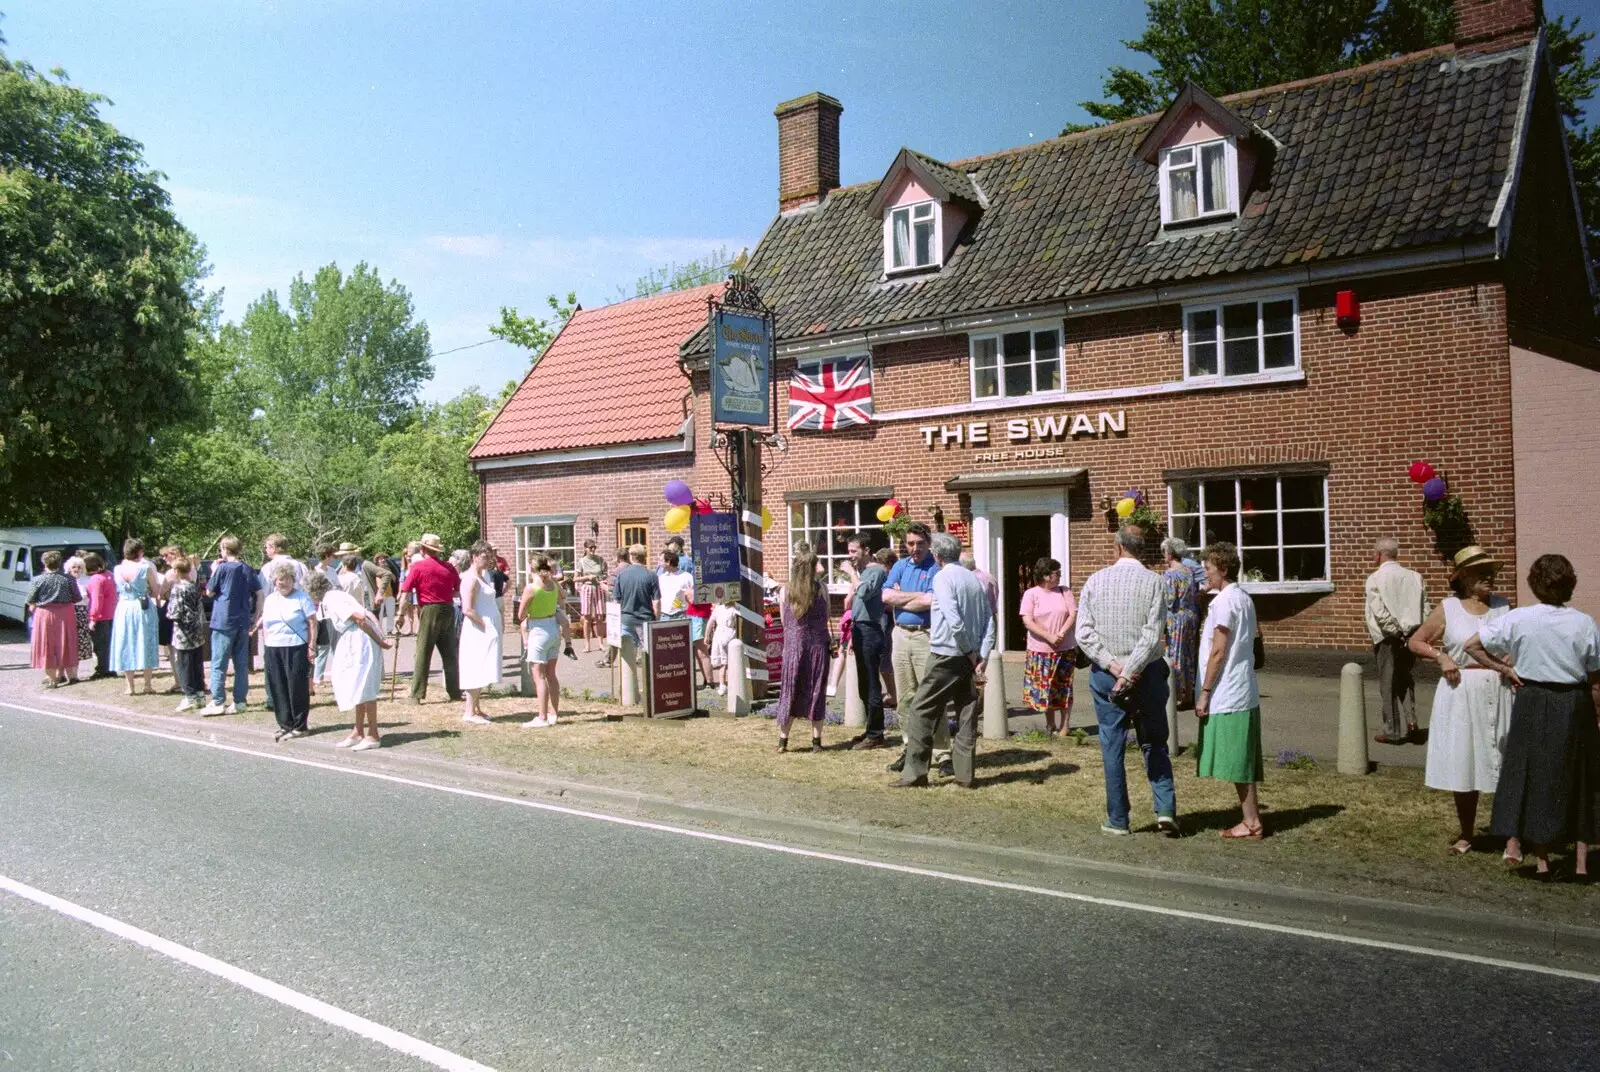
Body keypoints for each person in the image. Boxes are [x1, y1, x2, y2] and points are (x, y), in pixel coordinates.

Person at [1465, 553, 1600, 881]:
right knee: (1581, 779)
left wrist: (1505, 669)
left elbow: (1472, 645)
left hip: (1532, 700)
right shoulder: (1584, 623)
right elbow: (1595, 678)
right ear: (1569, 584)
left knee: (1535, 776)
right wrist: (1596, 714)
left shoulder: (1519, 618)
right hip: (1574, 702)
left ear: (1534, 584)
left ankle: (1542, 862)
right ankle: (1581, 865)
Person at [1411, 546, 1516, 857]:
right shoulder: (1449, 607)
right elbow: (1416, 641)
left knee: (1503, 760)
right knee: (1465, 761)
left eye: (1492, 572)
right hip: (1460, 690)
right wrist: (1441, 656)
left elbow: (1515, 641)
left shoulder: (1503, 607)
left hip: (1498, 688)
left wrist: (1513, 656)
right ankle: (1467, 833)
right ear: (1464, 577)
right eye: (1481, 572)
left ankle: (1511, 838)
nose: (1489, 577)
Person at [1076, 525, 1177, 836]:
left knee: (1112, 744)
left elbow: (1084, 634)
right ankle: (1164, 809)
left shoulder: (1095, 580)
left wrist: (1114, 666)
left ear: (1118, 547)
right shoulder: (1155, 582)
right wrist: (1131, 668)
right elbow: (1152, 634)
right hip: (1145, 672)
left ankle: (1118, 818)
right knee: (1155, 741)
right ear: (1141, 550)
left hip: (1108, 675)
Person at [895, 533, 994, 787]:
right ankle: (965, 775)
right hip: (969, 656)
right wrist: (981, 654)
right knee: (966, 714)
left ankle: (915, 773)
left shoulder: (942, 577)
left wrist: (971, 652)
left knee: (921, 710)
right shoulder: (974, 579)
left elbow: (953, 618)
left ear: (937, 556)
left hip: (947, 654)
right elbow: (989, 621)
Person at [1192, 542, 1266, 838]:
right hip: (1240, 687)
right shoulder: (1242, 597)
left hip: (1228, 691)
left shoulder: (1224, 601)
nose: (1205, 574)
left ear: (1222, 569)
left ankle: (1253, 822)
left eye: (1208, 569)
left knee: (1238, 761)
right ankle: (1251, 820)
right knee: (1241, 760)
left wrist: (1205, 691)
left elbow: (1218, 651)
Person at [884, 523, 944, 772]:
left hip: (924, 636)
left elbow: (930, 601)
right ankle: (910, 749)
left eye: (919, 543)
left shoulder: (935, 567)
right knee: (906, 698)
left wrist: (902, 597)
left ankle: (942, 755)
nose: (915, 548)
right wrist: (914, 597)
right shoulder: (900, 565)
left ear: (928, 543)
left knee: (930, 697)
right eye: (910, 543)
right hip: (900, 635)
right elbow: (886, 596)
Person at [310, 571, 392, 751]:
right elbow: (368, 614)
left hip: (359, 641)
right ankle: (358, 731)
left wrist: (380, 641)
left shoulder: (332, 599)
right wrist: (380, 635)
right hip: (354, 639)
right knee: (355, 685)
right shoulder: (335, 596)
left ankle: (373, 734)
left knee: (364, 686)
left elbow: (360, 618)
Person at [1365, 537, 1430, 744]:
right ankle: (1412, 723)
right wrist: (1417, 634)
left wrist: (1396, 631)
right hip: (1412, 635)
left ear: (1378, 554)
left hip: (1388, 638)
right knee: (1405, 679)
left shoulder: (1374, 579)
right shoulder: (1415, 577)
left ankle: (1392, 730)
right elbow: (1425, 609)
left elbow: (1379, 611)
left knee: (1388, 682)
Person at [775, 546, 831, 753]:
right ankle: (816, 742)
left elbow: (783, 621)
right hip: (817, 645)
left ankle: (783, 741)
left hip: (793, 647)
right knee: (816, 690)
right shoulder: (822, 589)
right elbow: (825, 617)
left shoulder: (785, 590)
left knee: (790, 690)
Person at [255, 563, 317, 741]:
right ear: (274, 581)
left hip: (296, 646)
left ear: (293, 581)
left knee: (296, 686)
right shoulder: (270, 599)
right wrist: (266, 645)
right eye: (280, 580)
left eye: (287, 579)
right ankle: (285, 724)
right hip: (273, 647)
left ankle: (300, 726)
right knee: (277, 686)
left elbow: (312, 622)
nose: (283, 583)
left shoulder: (301, 597)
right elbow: (266, 624)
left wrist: (311, 646)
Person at [203, 536, 262, 716]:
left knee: (219, 663)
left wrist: (213, 571)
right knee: (241, 663)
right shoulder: (247, 568)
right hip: (243, 619)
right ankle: (239, 701)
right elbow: (259, 593)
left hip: (223, 619)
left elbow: (209, 591)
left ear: (224, 549)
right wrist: (256, 615)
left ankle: (218, 700)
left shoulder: (222, 568)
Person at [400, 533, 462, 705]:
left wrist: (400, 615)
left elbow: (405, 592)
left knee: (423, 652)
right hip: (448, 608)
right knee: (450, 653)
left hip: (429, 609)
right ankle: (454, 692)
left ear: (423, 549)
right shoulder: (449, 567)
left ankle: (417, 694)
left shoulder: (418, 567)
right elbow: (457, 590)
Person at [840, 533, 889, 749]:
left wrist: (851, 573)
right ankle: (871, 729)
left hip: (871, 630)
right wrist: (852, 635)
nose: (850, 556)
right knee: (863, 684)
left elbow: (865, 591)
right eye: (849, 551)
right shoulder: (865, 572)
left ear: (866, 550)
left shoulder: (876, 570)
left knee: (871, 684)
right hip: (859, 629)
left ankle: (876, 734)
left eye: (854, 551)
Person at [1020, 556, 1077, 735]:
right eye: (1056, 573)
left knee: (1064, 687)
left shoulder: (1064, 591)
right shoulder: (1031, 594)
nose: (1059, 576)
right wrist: (1049, 637)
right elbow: (1028, 621)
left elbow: (1073, 614)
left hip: (1064, 648)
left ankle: (1065, 726)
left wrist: (1060, 634)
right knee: (1047, 688)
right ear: (1045, 576)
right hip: (1040, 649)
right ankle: (1050, 724)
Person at [518, 554, 568, 727]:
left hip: (538, 629)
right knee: (551, 674)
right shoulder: (553, 584)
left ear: (532, 569)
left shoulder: (531, 588)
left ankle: (542, 717)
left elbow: (521, 614)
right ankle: (553, 713)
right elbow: (563, 597)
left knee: (539, 676)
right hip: (553, 628)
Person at [457, 540, 503, 725]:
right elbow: (467, 609)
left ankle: (476, 708)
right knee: (475, 666)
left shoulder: (483, 576)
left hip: (487, 627)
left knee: (483, 666)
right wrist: (485, 625)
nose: (488, 559)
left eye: (489, 555)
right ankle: (469, 711)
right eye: (485, 556)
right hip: (477, 629)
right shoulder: (470, 578)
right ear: (474, 557)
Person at [110, 538, 163, 695]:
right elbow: (155, 590)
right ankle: (147, 684)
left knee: (126, 642)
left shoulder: (117, 569)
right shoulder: (145, 568)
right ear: (140, 551)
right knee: (146, 642)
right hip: (142, 606)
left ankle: (130, 686)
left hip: (124, 607)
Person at [26, 550, 81, 688]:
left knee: (47, 644)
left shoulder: (38, 579)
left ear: (45, 563)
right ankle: (72, 675)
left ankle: (51, 679)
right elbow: (77, 597)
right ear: (59, 563)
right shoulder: (69, 579)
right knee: (67, 642)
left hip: (45, 614)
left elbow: (31, 599)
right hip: (66, 613)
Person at [1160, 537, 1202, 710]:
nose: (1163, 556)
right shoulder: (1188, 571)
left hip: (1176, 618)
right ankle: (1189, 694)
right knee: (1188, 656)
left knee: (1175, 656)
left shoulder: (1170, 574)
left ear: (1169, 554)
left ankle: (1176, 695)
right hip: (1191, 616)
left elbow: (1169, 600)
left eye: (1164, 552)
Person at [165, 558, 208, 712]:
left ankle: (189, 696)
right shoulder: (194, 587)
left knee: (184, 664)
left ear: (176, 572)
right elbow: (200, 608)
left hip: (183, 632)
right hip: (196, 630)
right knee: (197, 664)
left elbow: (175, 612)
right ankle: (200, 694)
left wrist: (169, 614)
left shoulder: (177, 589)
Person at [613, 544, 659, 651]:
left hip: (626, 620)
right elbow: (656, 602)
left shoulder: (622, 575)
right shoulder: (652, 575)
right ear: (644, 556)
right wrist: (657, 620)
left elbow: (616, 601)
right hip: (646, 620)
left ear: (630, 556)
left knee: (627, 655)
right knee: (647, 653)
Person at [82, 552, 117, 679]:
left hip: (101, 616)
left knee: (100, 645)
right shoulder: (109, 575)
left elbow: (97, 600)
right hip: (111, 613)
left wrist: (93, 618)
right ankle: (110, 668)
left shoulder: (96, 579)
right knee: (108, 643)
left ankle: (103, 669)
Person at [873, 547, 900, 708]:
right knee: (883, 660)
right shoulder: (883, 577)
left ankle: (893, 694)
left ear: (888, 564)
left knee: (886, 660)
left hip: (889, 622)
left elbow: (895, 604)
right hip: (883, 621)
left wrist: (882, 603)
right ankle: (892, 693)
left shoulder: (894, 579)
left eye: (880, 563)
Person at [63, 555, 94, 684]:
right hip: (68, 613)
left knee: (78, 646)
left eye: (79, 567)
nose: (77, 569)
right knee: (66, 644)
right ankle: (63, 674)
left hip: (83, 613)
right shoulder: (64, 580)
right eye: (74, 567)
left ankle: (74, 674)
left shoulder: (88, 580)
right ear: (68, 568)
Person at [575, 540, 607, 653]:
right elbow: (575, 578)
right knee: (587, 617)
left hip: (598, 588)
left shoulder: (600, 560)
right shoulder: (581, 562)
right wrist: (587, 577)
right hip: (587, 588)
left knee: (599, 616)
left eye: (594, 547)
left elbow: (605, 574)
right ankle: (587, 645)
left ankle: (600, 643)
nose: (593, 550)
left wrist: (602, 580)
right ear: (585, 549)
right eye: (590, 548)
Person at [708, 596, 738, 695]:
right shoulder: (735, 609)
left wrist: (706, 635)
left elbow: (710, 622)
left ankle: (722, 685)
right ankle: (733, 684)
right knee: (732, 662)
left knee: (723, 663)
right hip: (730, 634)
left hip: (719, 634)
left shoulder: (718, 608)